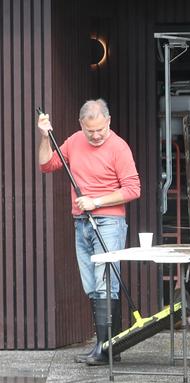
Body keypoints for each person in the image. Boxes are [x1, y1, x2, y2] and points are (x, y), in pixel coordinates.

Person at [38, 99, 141, 365]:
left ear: (108, 121)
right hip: (81, 221)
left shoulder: (119, 147)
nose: (95, 136)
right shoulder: (73, 141)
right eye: (89, 130)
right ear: (80, 125)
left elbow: (133, 189)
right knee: (92, 285)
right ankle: (107, 348)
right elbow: (47, 165)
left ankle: (105, 348)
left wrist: (96, 201)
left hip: (108, 221)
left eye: (100, 130)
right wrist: (44, 136)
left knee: (106, 282)